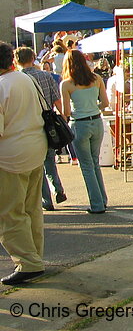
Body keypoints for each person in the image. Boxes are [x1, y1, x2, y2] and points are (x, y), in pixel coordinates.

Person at [0, 42, 48, 286]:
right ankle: (35, 257)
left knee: (10, 213)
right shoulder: (25, 78)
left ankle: (28, 263)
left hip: (10, 156)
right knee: (31, 209)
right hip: (36, 148)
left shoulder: (1, 86)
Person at [14, 47, 67, 212]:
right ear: (32, 58)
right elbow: (57, 99)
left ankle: (46, 199)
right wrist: (63, 116)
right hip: (49, 122)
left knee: (37, 164)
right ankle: (57, 189)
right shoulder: (46, 75)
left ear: (16, 61)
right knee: (49, 160)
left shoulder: (18, 79)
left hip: (28, 124)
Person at [60, 49, 110, 214]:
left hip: (80, 123)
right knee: (95, 163)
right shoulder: (96, 78)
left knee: (86, 165)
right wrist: (92, 107)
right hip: (96, 120)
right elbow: (105, 102)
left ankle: (97, 204)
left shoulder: (67, 84)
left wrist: (78, 110)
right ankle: (102, 199)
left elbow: (67, 112)